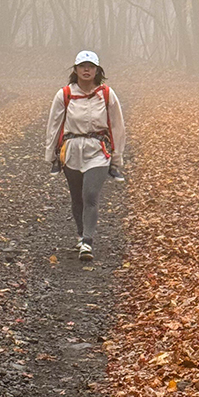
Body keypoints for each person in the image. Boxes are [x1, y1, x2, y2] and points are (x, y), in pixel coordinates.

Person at [45, 50, 126, 262]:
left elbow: (117, 126)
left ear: (98, 70)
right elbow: (54, 125)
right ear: (76, 70)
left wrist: (117, 158)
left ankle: (87, 242)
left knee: (90, 194)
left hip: (97, 150)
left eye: (91, 66)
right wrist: (51, 155)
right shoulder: (64, 94)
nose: (87, 70)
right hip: (71, 149)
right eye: (83, 66)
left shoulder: (107, 94)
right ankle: (81, 234)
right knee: (77, 196)